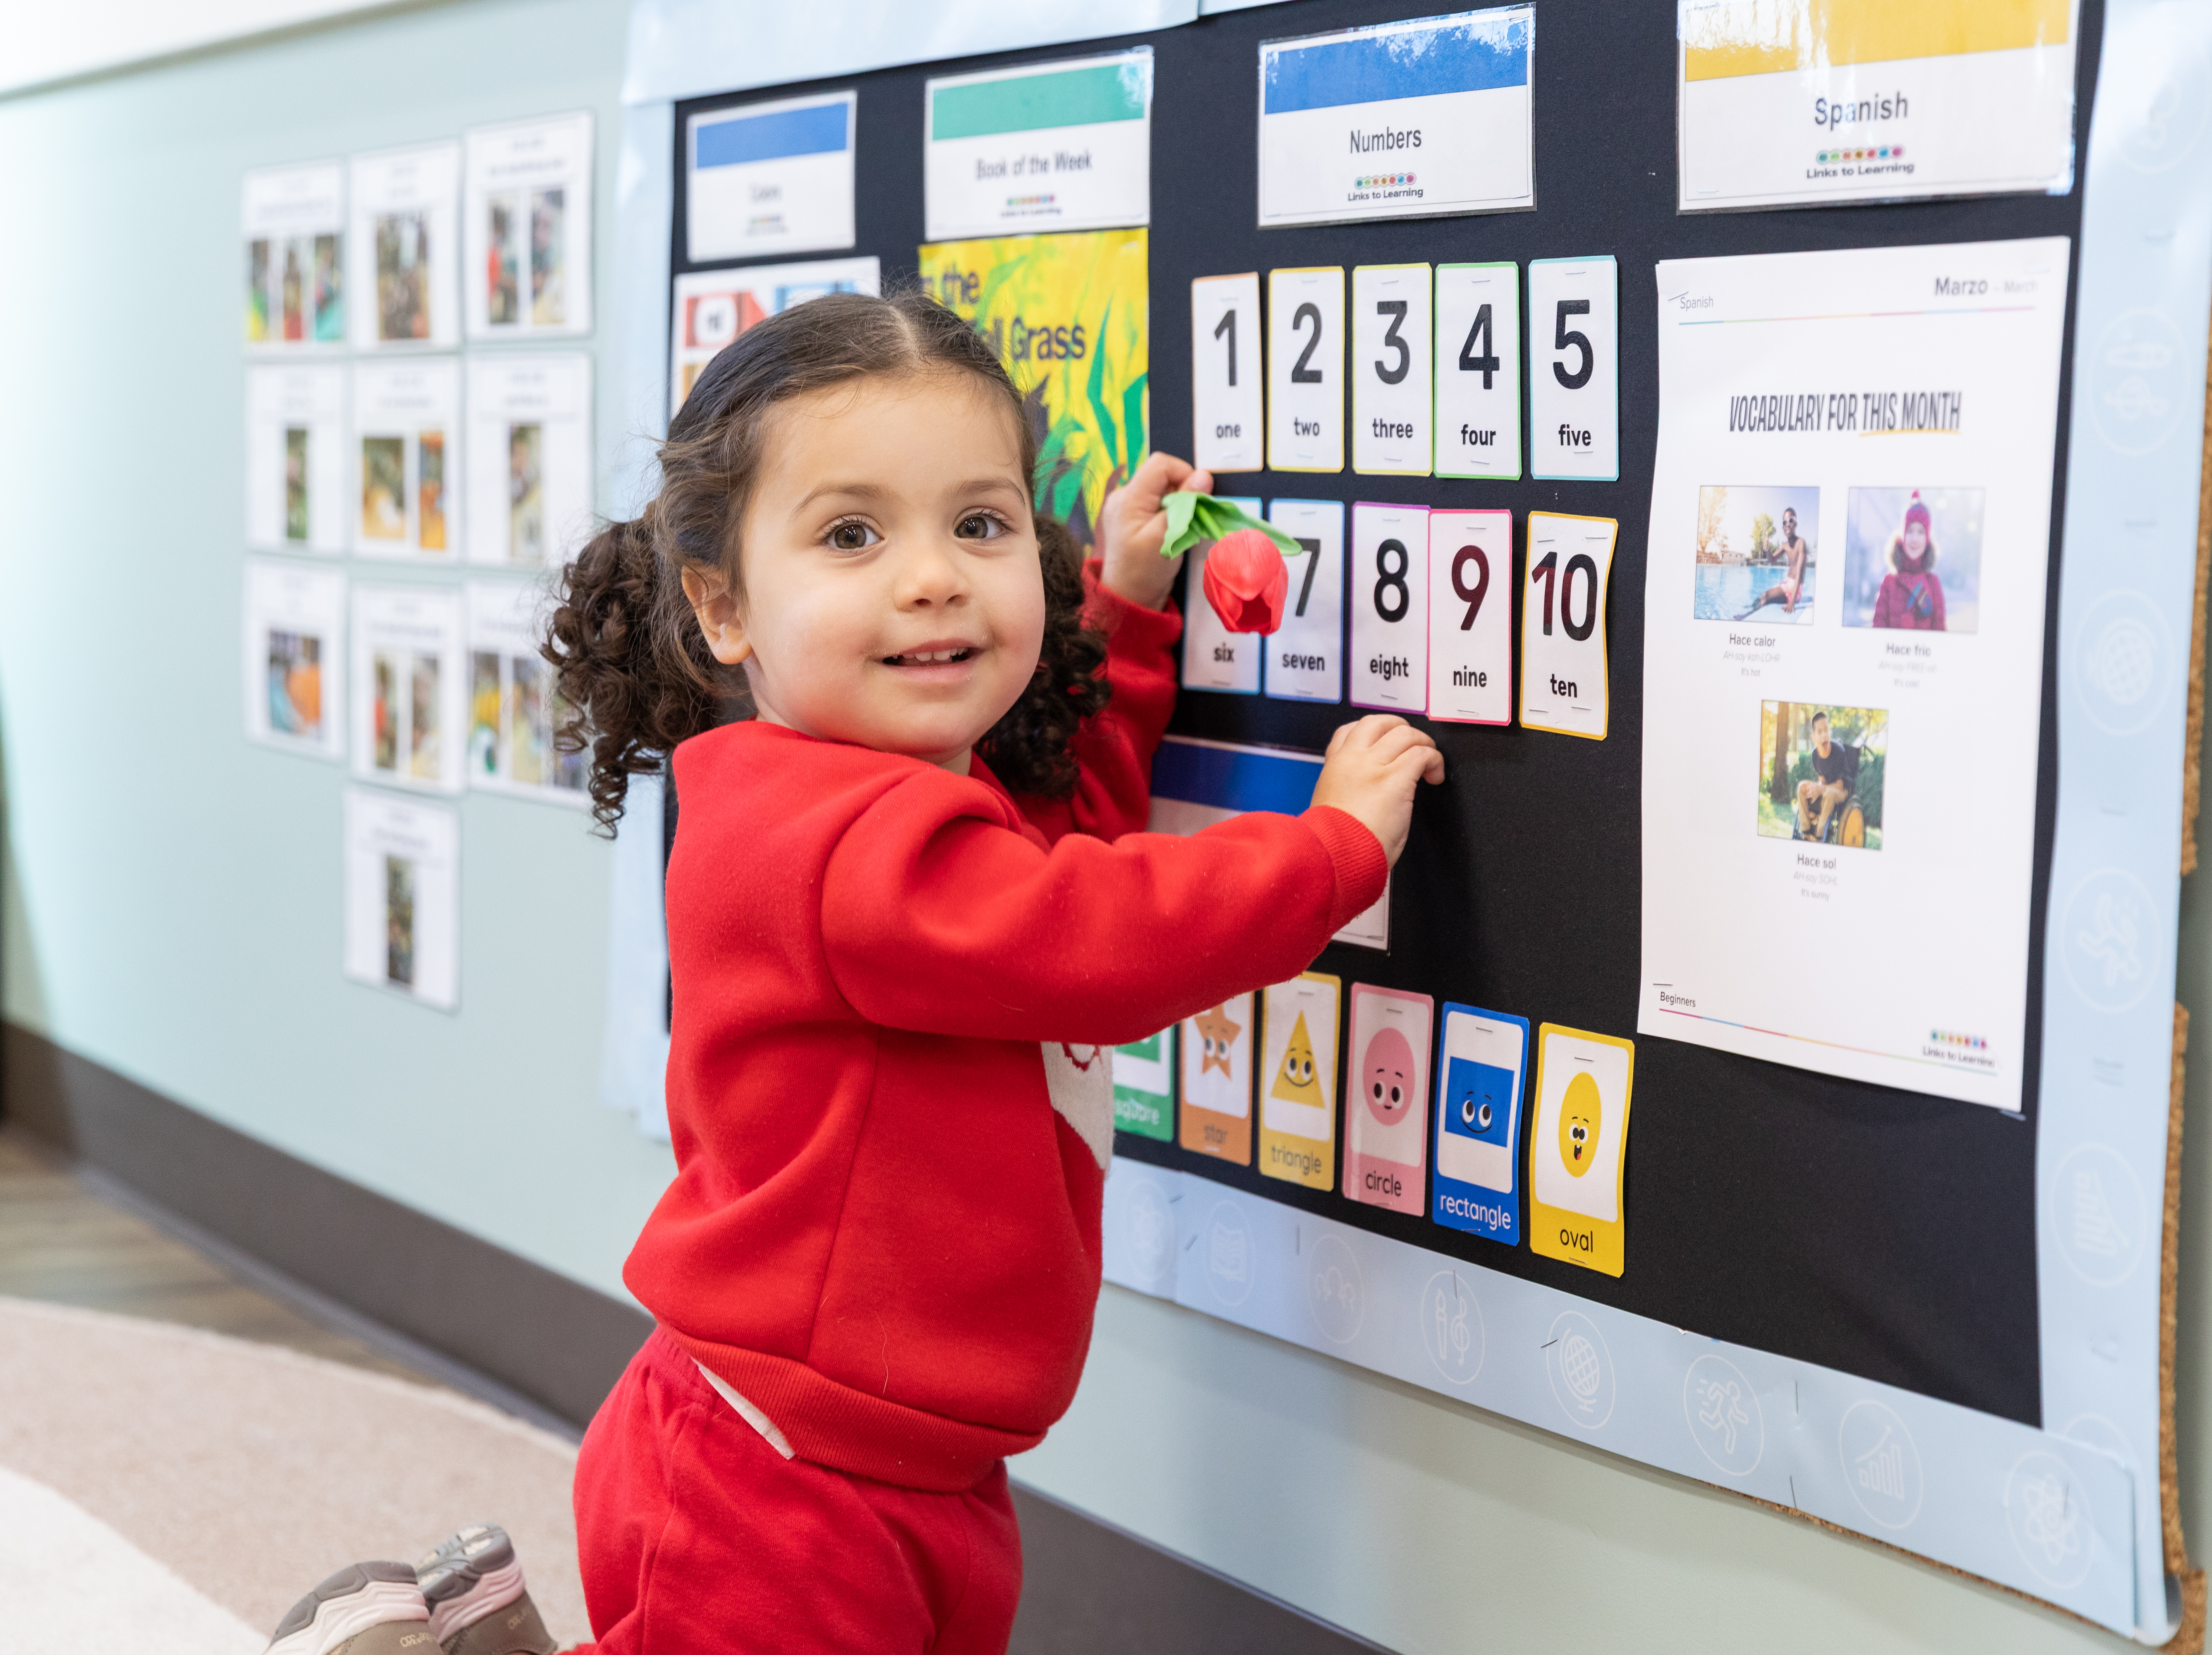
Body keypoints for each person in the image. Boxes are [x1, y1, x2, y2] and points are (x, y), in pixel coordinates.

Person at [261, 289, 1443, 1655]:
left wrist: (1122, 620)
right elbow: (1094, 934)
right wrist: (1334, 848)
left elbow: (1063, 854)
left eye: (981, 525)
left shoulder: (909, 811)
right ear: (723, 607)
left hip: (901, 1450)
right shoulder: (820, 844)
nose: (932, 575)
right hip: (783, 1471)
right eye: (852, 535)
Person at [1870, 492, 1946, 630]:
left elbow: (1940, 631)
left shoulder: (1933, 584)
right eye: (1910, 531)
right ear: (1903, 536)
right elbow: (1878, 629)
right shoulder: (1889, 583)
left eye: (1921, 532)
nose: (1915, 539)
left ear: (1927, 539)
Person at [1793, 710, 1858, 840]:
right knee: (1802, 787)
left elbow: (1840, 786)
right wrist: (1817, 788)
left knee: (1828, 793)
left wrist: (1821, 789)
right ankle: (1806, 831)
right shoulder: (1815, 756)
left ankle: (1819, 834)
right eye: (1820, 732)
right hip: (1827, 789)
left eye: (1827, 730)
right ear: (1814, 737)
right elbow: (1822, 779)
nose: (1825, 735)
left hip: (1842, 792)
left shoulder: (1839, 752)